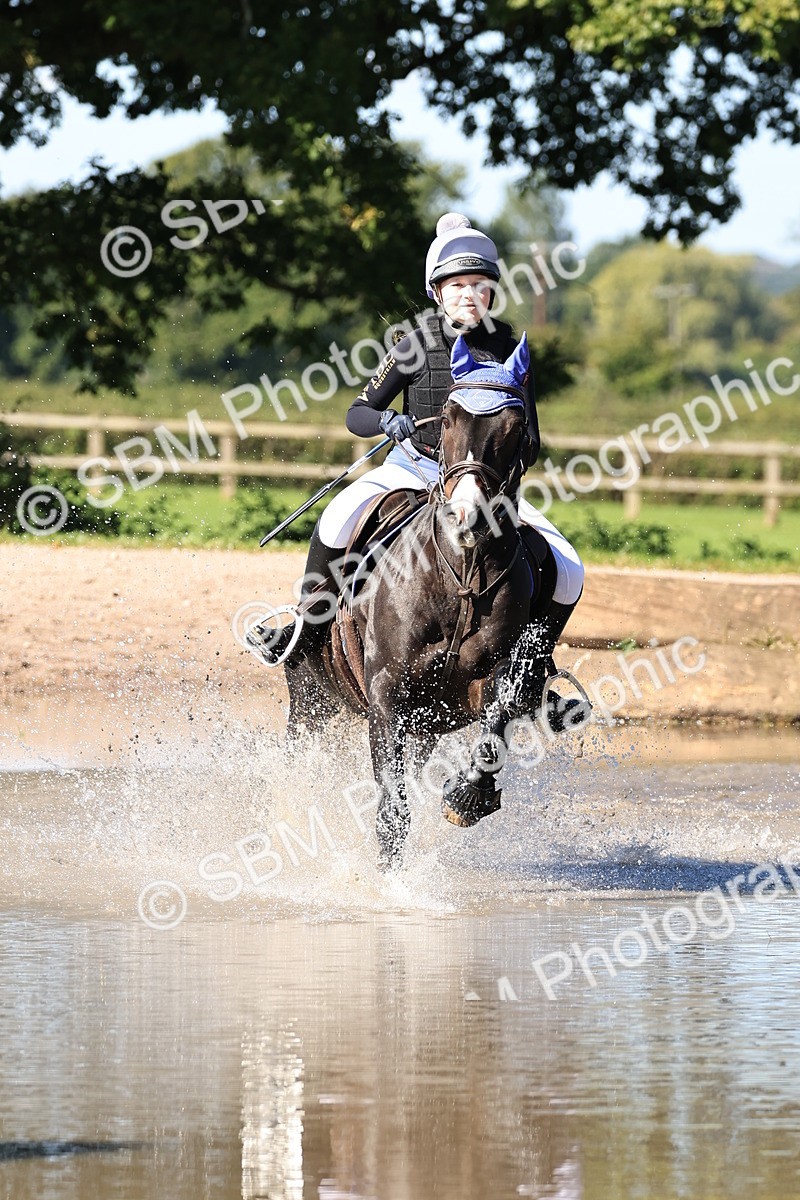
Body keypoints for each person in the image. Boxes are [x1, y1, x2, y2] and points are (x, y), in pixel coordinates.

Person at [248, 213, 584, 714]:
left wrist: (507, 460)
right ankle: (306, 630)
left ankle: (533, 678)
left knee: (570, 569)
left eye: (480, 285)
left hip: (484, 486)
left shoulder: (511, 350)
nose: (469, 295)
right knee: (338, 517)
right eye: (457, 286)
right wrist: (388, 423)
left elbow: (531, 435)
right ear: (437, 292)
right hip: (414, 470)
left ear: (493, 291)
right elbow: (356, 413)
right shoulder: (414, 344)